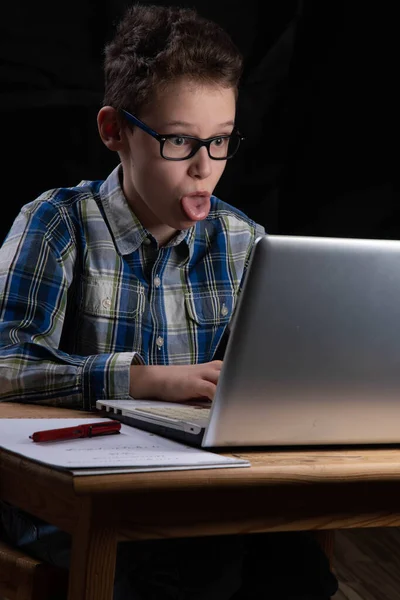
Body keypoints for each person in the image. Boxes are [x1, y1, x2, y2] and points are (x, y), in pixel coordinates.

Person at [0, 4, 338, 599]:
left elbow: (262, 385)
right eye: (180, 141)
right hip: (72, 505)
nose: (205, 170)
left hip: (204, 496)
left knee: (295, 569)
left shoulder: (244, 243)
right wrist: (144, 381)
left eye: (221, 142)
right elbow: (5, 364)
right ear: (114, 131)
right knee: (176, 572)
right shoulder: (56, 227)